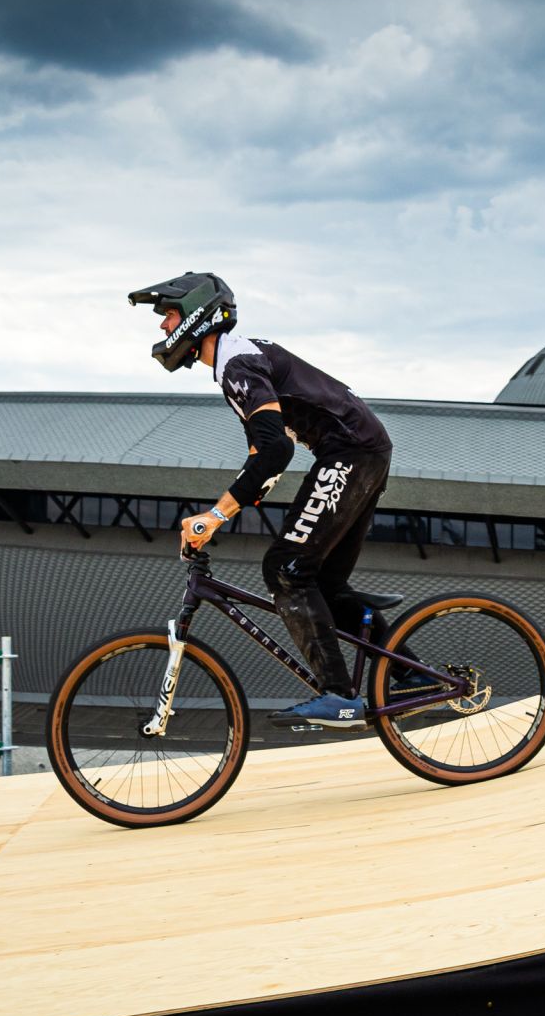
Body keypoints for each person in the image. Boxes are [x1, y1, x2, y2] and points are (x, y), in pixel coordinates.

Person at [128, 271, 394, 729]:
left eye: (168, 315)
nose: (162, 327)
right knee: (322, 586)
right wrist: (223, 512)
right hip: (360, 451)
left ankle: (339, 696)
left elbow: (276, 450)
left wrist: (213, 515)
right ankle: (406, 673)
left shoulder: (237, 364)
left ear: (195, 317)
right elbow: (265, 456)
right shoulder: (239, 359)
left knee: (285, 568)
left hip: (350, 453)